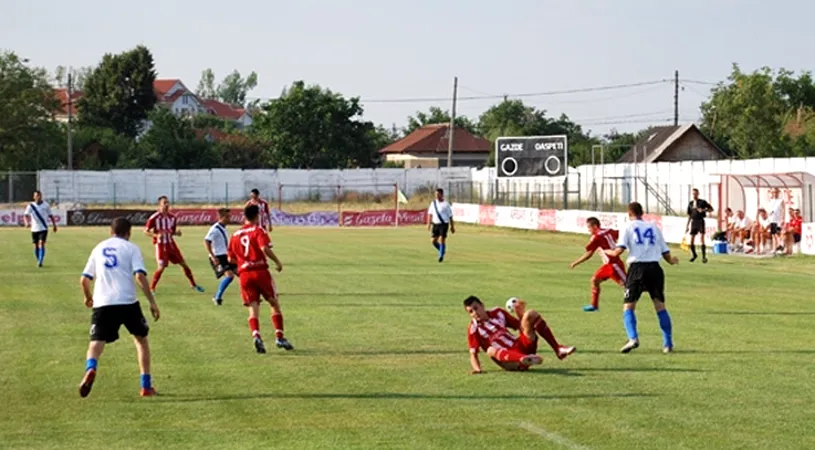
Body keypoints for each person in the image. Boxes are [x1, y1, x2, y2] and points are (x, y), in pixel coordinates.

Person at [78, 217, 160, 398]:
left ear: (110, 231)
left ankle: (91, 368)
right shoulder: (132, 248)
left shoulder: (98, 248)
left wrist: (88, 297)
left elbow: (84, 279)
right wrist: (152, 301)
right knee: (141, 340)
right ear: (128, 233)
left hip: (103, 302)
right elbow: (139, 276)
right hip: (128, 302)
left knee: (96, 342)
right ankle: (145, 386)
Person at [605, 202, 679, 354]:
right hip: (655, 268)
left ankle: (633, 338)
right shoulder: (654, 227)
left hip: (637, 268)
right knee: (660, 306)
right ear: (642, 212)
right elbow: (665, 252)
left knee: (629, 306)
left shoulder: (628, 226)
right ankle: (668, 343)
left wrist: (608, 252)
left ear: (629, 213)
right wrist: (672, 261)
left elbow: (619, 250)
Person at [228, 204, 293, 353]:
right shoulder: (258, 230)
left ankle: (256, 335)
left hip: (244, 274)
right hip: (260, 272)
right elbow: (264, 248)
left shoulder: (235, 235)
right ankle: (279, 337)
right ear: (257, 216)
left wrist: (243, 262)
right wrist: (277, 261)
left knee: (253, 307)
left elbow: (230, 259)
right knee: (274, 303)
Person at [464, 296, 575, 374]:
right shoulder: (473, 329)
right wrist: (477, 369)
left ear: (482, 305)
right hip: (509, 361)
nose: (475, 313)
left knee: (530, 314)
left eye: (476, 308)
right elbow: (473, 353)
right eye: (470, 311)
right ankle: (523, 359)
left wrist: (520, 314)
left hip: (520, 345)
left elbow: (520, 326)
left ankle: (558, 349)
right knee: (490, 350)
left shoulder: (498, 312)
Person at [144, 196, 204, 294]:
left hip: (171, 245)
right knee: (161, 267)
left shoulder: (172, 217)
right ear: (159, 205)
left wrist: (177, 233)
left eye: (168, 203)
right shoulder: (154, 218)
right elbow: (146, 231)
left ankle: (194, 285)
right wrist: (155, 235)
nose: (167, 205)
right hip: (161, 245)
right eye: (165, 203)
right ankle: (152, 289)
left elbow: (171, 231)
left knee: (184, 264)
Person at [569, 217, 627, 312]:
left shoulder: (596, 237)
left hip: (614, 265)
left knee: (628, 286)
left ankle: (650, 289)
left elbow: (589, 254)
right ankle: (594, 306)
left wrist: (575, 263)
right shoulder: (609, 230)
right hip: (608, 266)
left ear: (595, 226)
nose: (588, 230)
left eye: (589, 227)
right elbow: (621, 235)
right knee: (594, 280)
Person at [204, 208, 235, 305]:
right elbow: (206, 241)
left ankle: (250, 297)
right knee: (229, 276)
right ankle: (217, 297)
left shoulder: (223, 228)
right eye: (227, 217)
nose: (230, 218)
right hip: (218, 257)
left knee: (243, 273)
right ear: (221, 217)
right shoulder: (215, 229)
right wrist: (213, 257)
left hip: (226, 256)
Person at [23, 190, 58, 267]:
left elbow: (51, 215)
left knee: (41, 243)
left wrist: (54, 225)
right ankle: (38, 259)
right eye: (36, 196)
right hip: (34, 228)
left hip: (43, 228)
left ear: (41, 196)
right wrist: (26, 222)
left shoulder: (46, 205)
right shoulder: (31, 206)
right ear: (34, 197)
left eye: (39, 196)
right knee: (36, 245)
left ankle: (40, 261)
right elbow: (25, 215)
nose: (38, 197)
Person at [426, 188, 455, 262]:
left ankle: (441, 256)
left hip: (444, 224)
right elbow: (430, 214)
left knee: (442, 239)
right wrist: (428, 224)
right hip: (435, 224)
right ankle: (442, 250)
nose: (436, 196)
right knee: (433, 241)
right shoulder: (433, 203)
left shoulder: (446, 204)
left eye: (438, 194)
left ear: (442, 194)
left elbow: (450, 216)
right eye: (435, 194)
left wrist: (452, 226)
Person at [686, 188, 713, 263]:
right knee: (691, 240)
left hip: (700, 221)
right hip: (693, 222)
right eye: (693, 194)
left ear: (698, 194)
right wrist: (687, 226)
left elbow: (711, 209)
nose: (694, 195)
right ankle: (694, 255)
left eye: (695, 193)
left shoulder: (702, 202)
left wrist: (704, 210)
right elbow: (689, 215)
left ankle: (704, 257)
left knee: (702, 238)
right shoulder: (690, 203)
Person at [765, 188, 785, 252]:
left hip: (778, 219)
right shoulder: (770, 201)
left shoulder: (781, 200)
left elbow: (783, 210)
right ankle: (774, 248)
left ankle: (780, 244)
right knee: (773, 234)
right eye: (773, 192)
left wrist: (782, 218)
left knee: (777, 233)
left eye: (776, 192)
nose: (775, 194)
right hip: (772, 219)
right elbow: (769, 210)